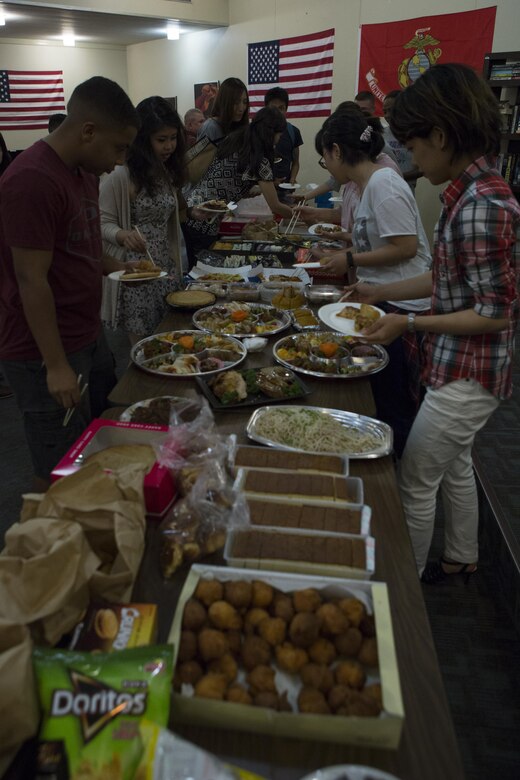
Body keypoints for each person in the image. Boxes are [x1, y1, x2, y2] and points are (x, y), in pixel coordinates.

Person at [347, 63, 520, 583]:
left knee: (417, 476)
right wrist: (381, 292)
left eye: (415, 146)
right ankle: (461, 555)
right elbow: (446, 279)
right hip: (461, 362)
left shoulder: (481, 206)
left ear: (441, 136)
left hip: (471, 370)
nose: (410, 159)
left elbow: (494, 313)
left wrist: (409, 326)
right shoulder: (469, 193)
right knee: (456, 461)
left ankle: (405, 587)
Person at [0, 76, 139, 491]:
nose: (118, 161)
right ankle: (51, 547)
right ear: (88, 131)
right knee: (58, 469)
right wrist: (56, 366)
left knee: (99, 436)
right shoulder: (31, 181)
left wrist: (115, 265)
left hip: (86, 333)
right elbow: (30, 279)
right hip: (42, 350)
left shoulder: (84, 171)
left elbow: (80, 245)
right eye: (118, 148)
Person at [316, 108, 432, 457]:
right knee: (383, 395)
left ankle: (398, 475)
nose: (328, 166)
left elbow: (405, 247)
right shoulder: (368, 184)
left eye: (324, 158)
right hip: (383, 299)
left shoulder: (383, 183)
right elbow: (379, 238)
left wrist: (349, 259)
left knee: (396, 400)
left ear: (336, 151)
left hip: (403, 306)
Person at [100, 96, 187, 344]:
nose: (169, 146)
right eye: (161, 140)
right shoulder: (121, 174)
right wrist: (123, 235)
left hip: (164, 266)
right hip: (134, 272)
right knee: (143, 347)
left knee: (169, 338)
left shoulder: (165, 170)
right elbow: (101, 222)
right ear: (142, 140)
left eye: (173, 138)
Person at [183, 107, 294, 265]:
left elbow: (229, 180)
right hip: (203, 217)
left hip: (191, 208)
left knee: (198, 265)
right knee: (203, 269)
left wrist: (247, 191)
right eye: (279, 134)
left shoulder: (238, 140)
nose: (279, 139)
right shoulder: (259, 156)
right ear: (270, 132)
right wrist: (298, 215)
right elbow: (275, 206)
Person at [264, 87, 303, 193]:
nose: (277, 112)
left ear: (286, 109)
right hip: (263, 191)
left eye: (281, 108)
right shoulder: (258, 132)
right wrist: (270, 182)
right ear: (266, 108)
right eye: (273, 108)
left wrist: (292, 179)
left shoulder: (293, 132)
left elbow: (295, 162)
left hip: (285, 190)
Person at [382, 90, 421, 191]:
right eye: (385, 112)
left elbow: (423, 169)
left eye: (391, 110)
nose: (387, 115)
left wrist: (399, 177)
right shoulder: (381, 134)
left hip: (406, 189)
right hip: (385, 188)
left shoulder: (416, 134)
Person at [197, 77, 249, 143]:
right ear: (225, 102)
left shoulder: (241, 127)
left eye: (245, 102)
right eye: (236, 102)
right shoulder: (210, 128)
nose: (241, 108)